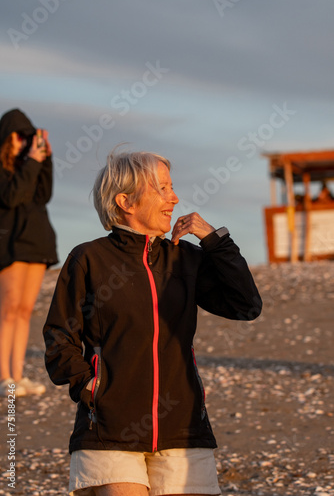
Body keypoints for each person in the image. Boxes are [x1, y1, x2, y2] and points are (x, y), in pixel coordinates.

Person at [43, 147, 262, 496]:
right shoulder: (89, 258)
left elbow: (246, 305)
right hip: (109, 430)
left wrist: (215, 242)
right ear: (126, 201)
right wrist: (89, 388)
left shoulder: (184, 259)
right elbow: (59, 336)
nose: (174, 198)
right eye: (162, 188)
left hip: (183, 427)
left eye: (171, 187)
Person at [0, 108, 58, 397]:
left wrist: (45, 160)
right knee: (8, 311)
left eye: (28, 136)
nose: (24, 141)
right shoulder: (5, 170)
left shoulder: (31, 165)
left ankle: (18, 375)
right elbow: (13, 196)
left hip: (37, 244)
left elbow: (42, 195)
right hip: (9, 246)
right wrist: (32, 163)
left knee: (24, 312)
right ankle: (5, 378)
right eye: (19, 136)